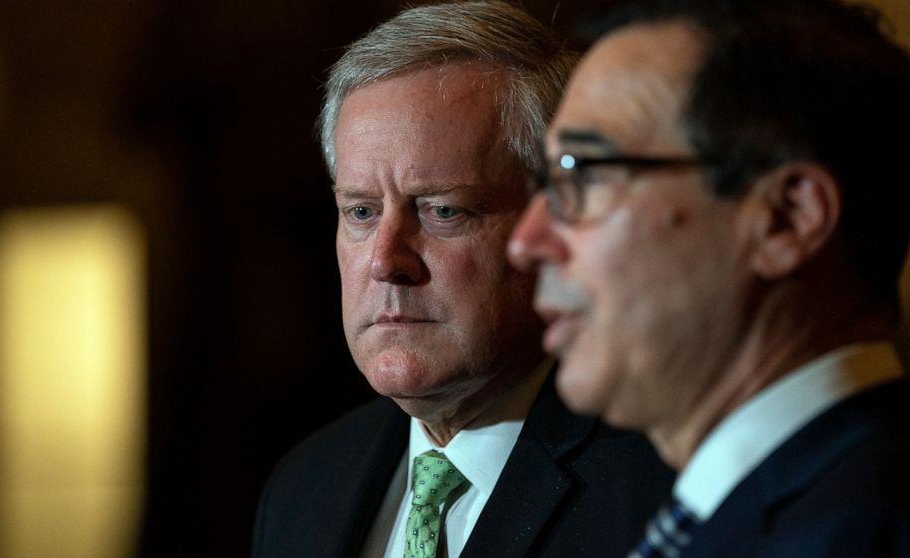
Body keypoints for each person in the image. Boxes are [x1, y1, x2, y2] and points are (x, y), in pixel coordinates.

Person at [252, 2, 673, 557]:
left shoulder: (659, 489)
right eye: (361, 212)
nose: (385, 261)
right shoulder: (305, 486)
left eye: (443, 211)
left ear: (554, 221)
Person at [508, 0, 910, 556]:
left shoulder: (857, 533)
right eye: (547, 183)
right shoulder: (744, 512)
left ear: (786, 218)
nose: (525, 242)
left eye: (585, 175)